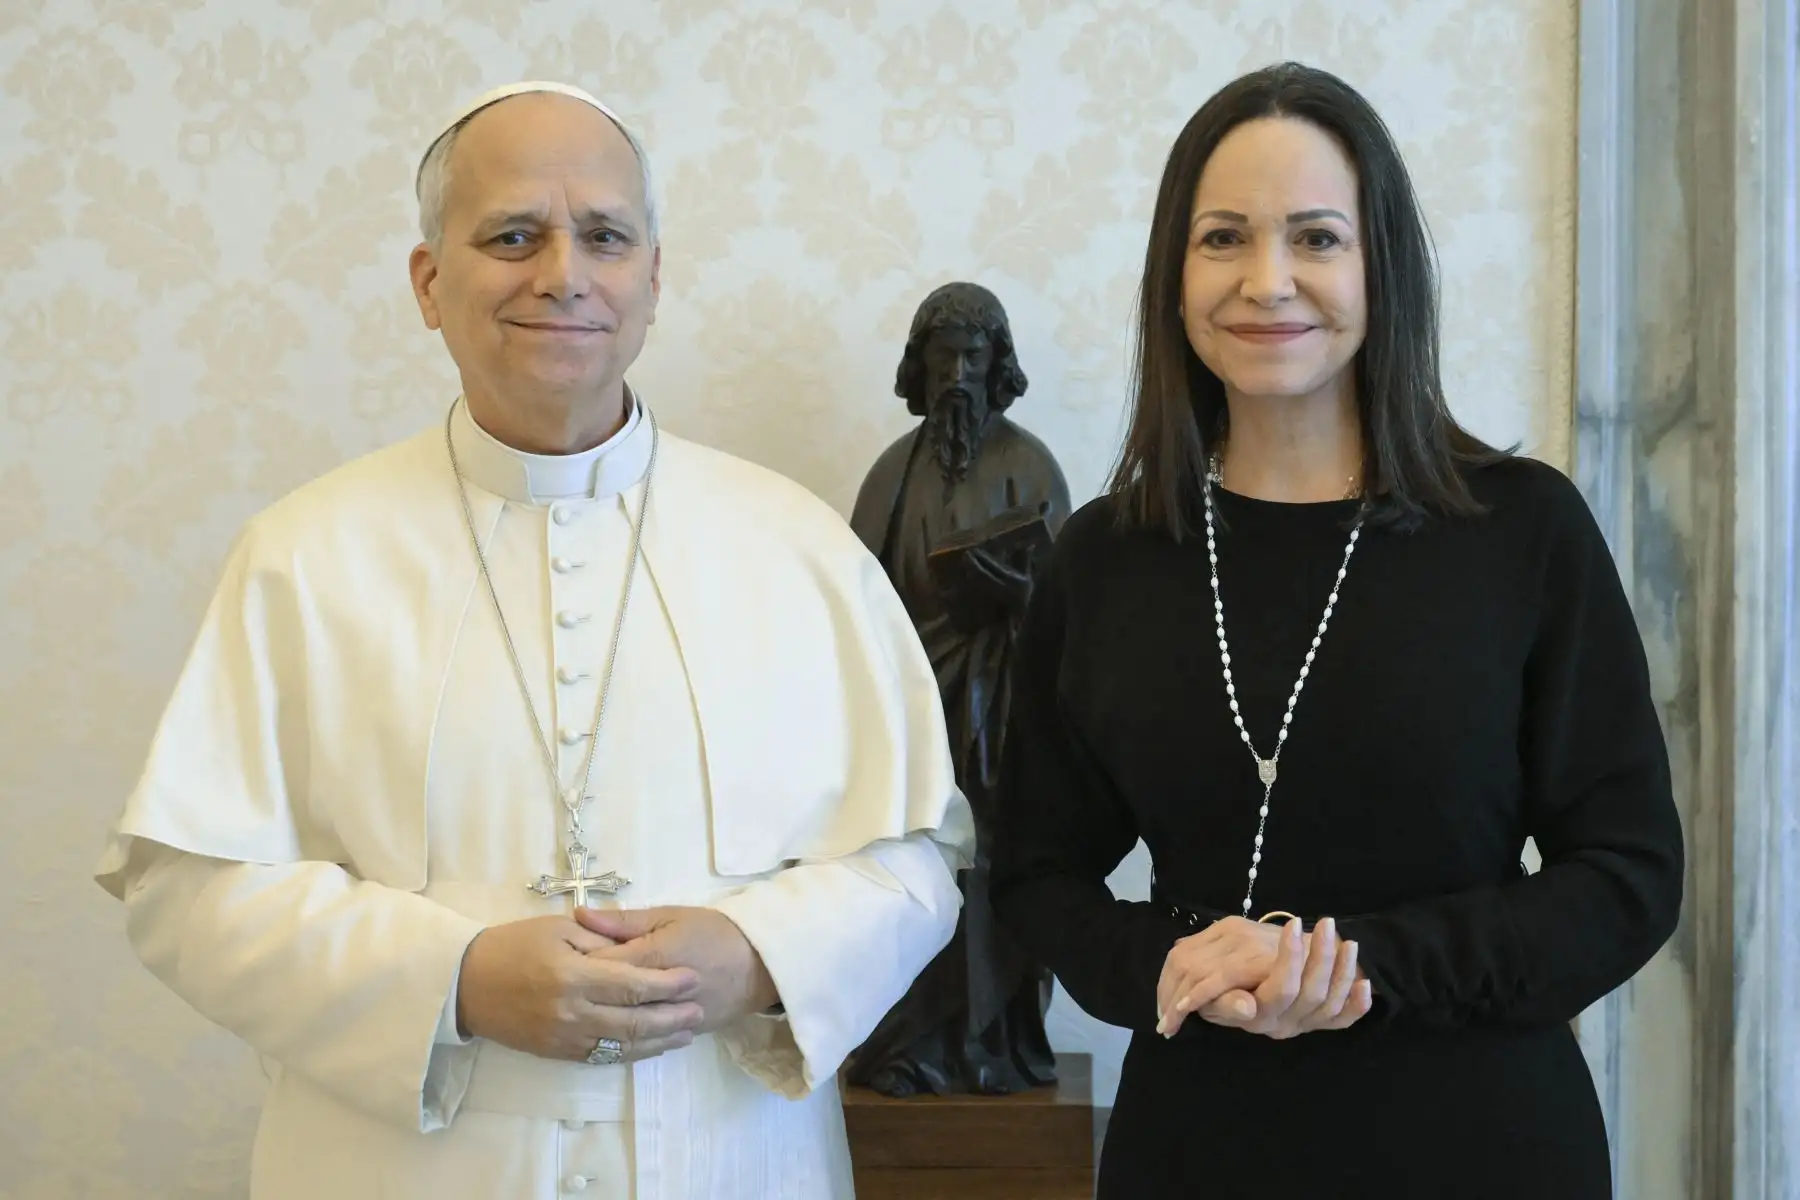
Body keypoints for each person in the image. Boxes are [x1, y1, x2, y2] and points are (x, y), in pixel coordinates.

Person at [94, 80, 974, 1200]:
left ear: (653, 279)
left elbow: (916, 857)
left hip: (730, 1160)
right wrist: (453, 979)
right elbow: (187, 887)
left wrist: (759, 956)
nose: (562, 271)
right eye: (513, 234)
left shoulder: (797, 547)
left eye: (604, 236)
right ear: (428, 282)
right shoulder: (302, 556)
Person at [989, 61, 1683, 1200]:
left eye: (1316, 238)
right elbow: (1033, 874)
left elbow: (1628, 877)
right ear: (1174, 274)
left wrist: (1355, 966)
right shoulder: (1107, 557)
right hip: (1198, 1144)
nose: (1269, 282)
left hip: (1484, 1143)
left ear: (1381, 267)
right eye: (1224, 239)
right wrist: (1175, 963)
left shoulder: (1522, 529)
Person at [843, 282, 1069, 1097]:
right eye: (945, 359)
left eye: (975, 358)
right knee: (912, 873)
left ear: (997, 365)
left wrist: (1012, 594)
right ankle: (911, 1047)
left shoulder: (1030, 465)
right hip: (910, 713)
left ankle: (996, 1043)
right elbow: (853, 594)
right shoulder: (891, 473)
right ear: (922, 366)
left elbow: (1065, 602)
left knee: (997, 877)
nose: (959, 376)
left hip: (1003, 716)